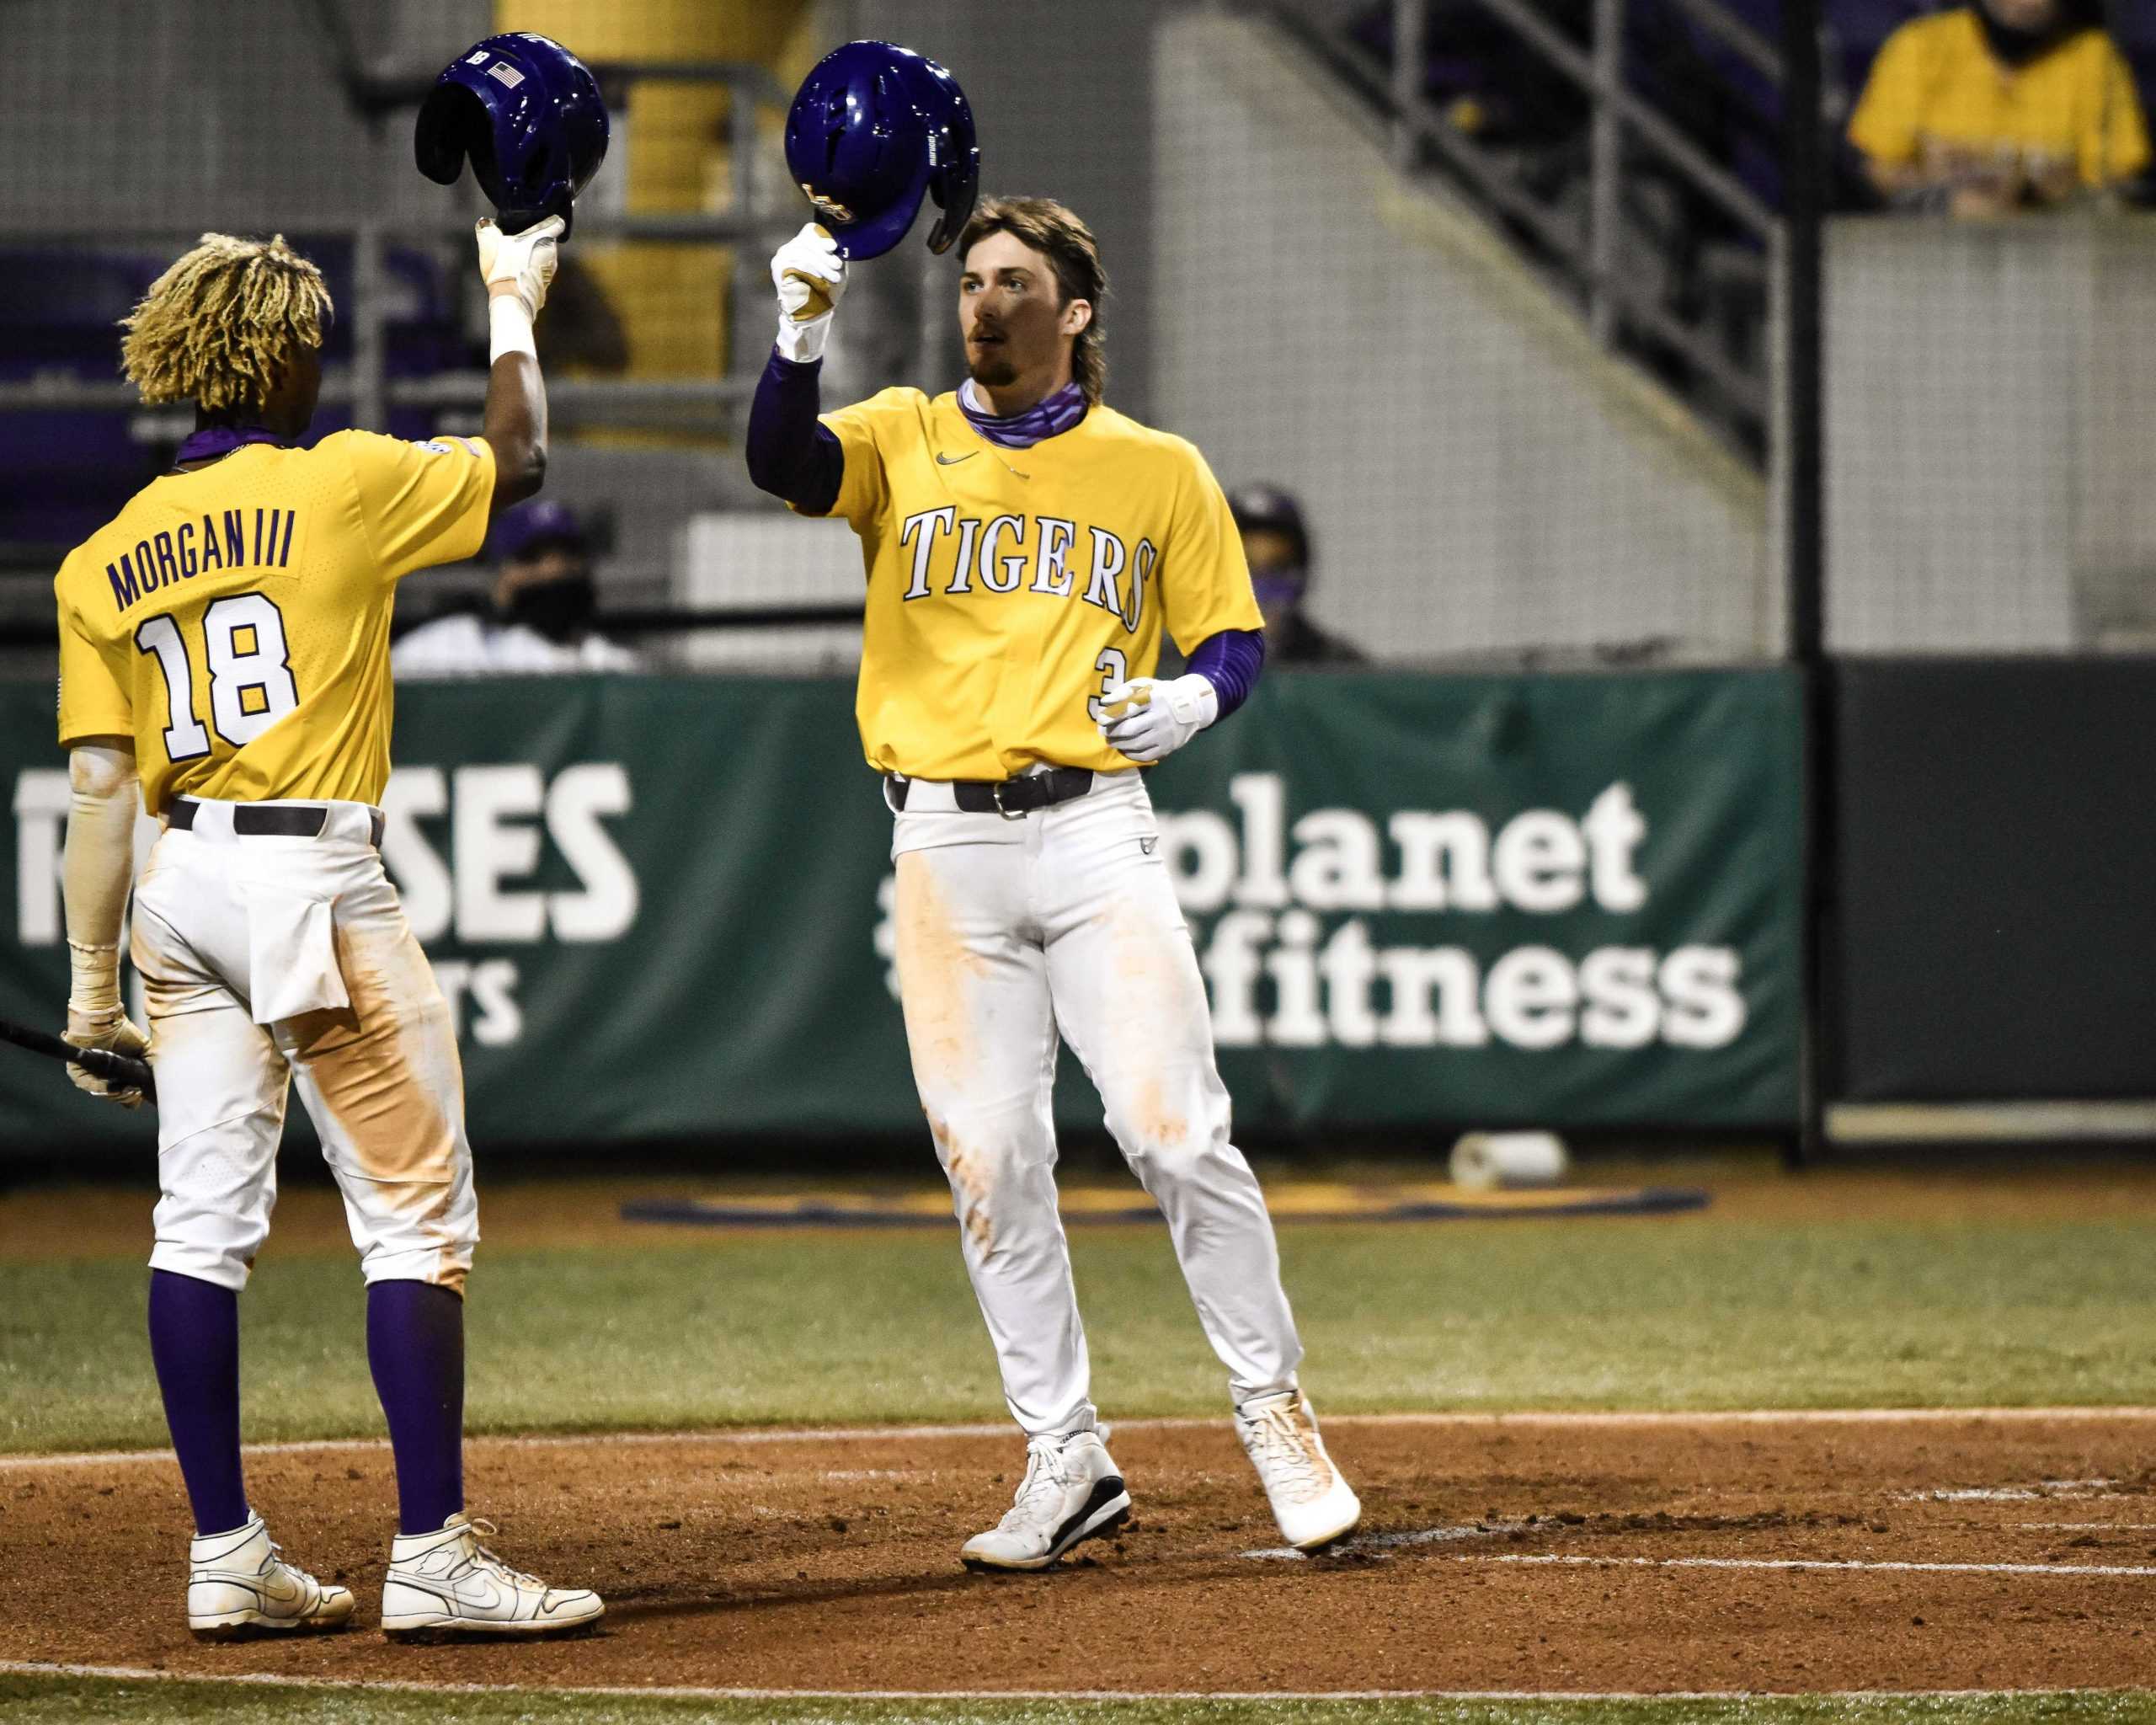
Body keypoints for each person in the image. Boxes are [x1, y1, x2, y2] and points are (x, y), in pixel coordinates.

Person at [745, 199, 1363, 1570]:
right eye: (971, 279)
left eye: (1014, 280)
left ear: (1074, 311)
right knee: (992, 1159)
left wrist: (1197, 699)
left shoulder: (1154, 467)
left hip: (1094, 830)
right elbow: (782, 464)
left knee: (1175, 1129)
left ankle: (1273, 1406)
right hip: (943, 843)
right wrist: (798, 333)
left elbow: (1232, 636)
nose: (983, 300)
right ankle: (1064, 1450)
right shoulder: (906, 433)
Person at [51, 226, 603, 1640]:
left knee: (200, 1225)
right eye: (310, 333)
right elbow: (521, 463)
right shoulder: (344, 478)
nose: (322, 351)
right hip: (313, 876)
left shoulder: (102, 555)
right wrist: (508, 302)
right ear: (274, 349)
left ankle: (226, 1547)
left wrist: (91, 996)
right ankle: (433, 1550)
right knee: (415, 1217)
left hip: (182, 889)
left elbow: (102, 795)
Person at [1849, 0, 2149, 214]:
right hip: (1936, 247)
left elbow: (2120, 187)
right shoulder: (1921, 45)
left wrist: (2036, 191)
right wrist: (1946, 192)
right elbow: (1877, 170)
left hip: (2051, 247)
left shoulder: (2093, 56)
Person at [392, 499, 638, 677]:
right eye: (531, 557)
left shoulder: (613, 665)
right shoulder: (442, 650)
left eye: (569, 556)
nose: (553, 571)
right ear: (499, 570)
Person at [1227, 483, 1368, 667]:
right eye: (1246, 567)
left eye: (1277, 567)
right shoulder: (1181, 667)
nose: (1261, 585)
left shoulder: (1338, 667)